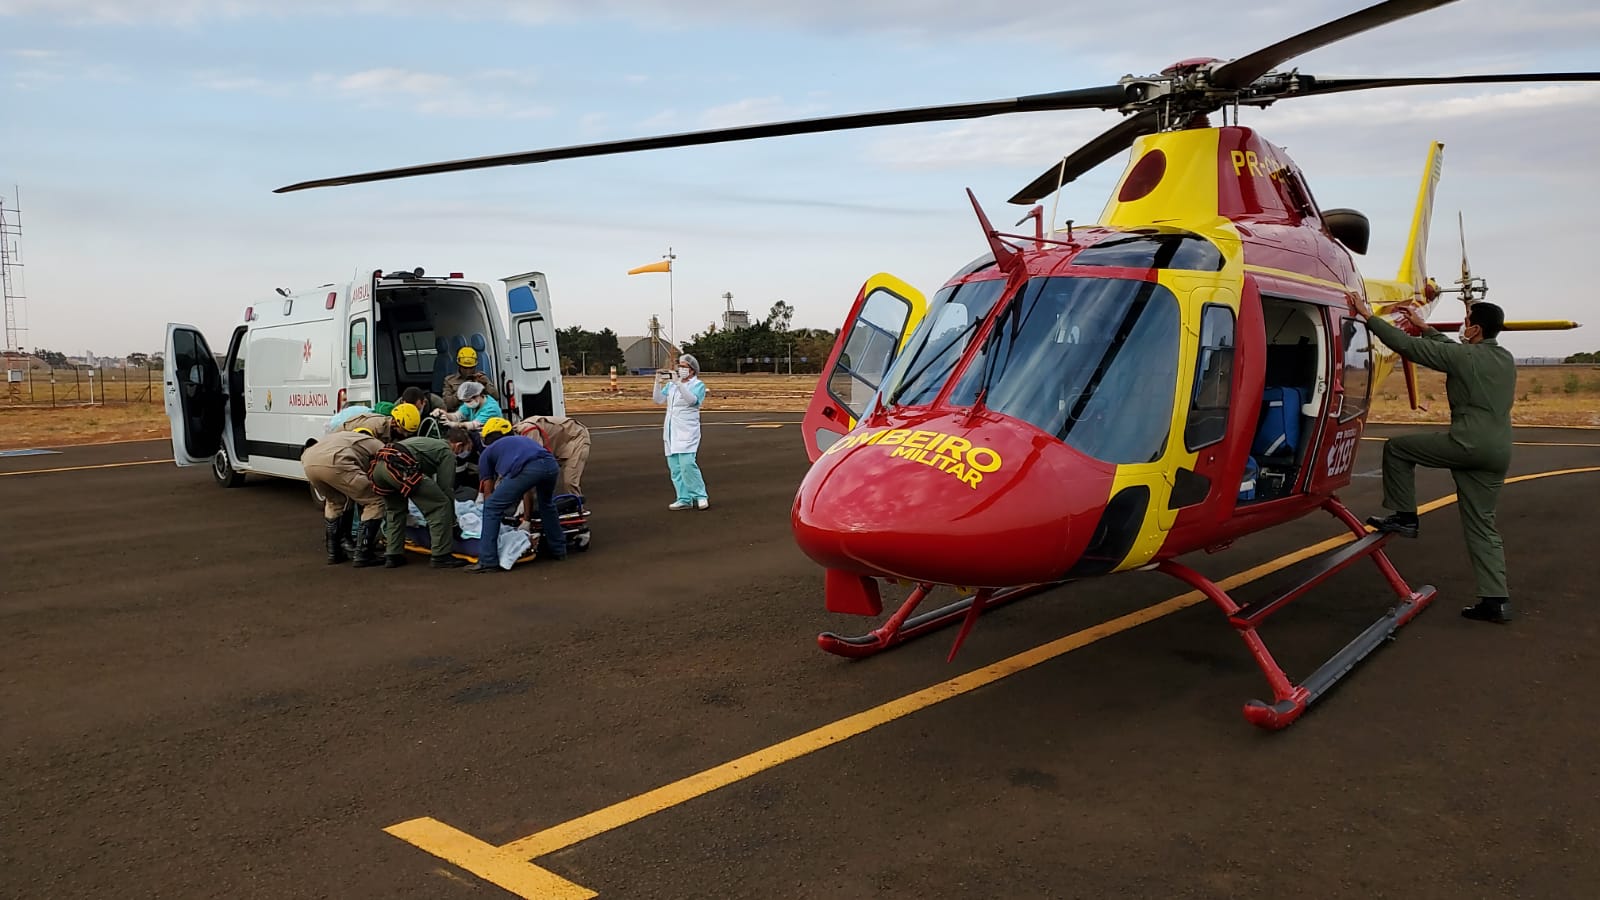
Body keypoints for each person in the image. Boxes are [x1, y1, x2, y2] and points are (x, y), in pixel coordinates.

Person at [1352, 297, 1517, 624]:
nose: (1462, 324)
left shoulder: (1464, 356)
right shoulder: (1504, 358)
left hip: (1468, 443)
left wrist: (1368, 317)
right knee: (1482, 525)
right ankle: (1495, 600)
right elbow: (1449, 351)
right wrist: (1426, 327)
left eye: (1466, 319)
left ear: (1476, 328)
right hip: (1498, 451)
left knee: (1397, 449)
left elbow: (1407, 347)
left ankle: (1406, 516)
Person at [467, 417, 565, 572]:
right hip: (550, 464)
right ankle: (559, 549)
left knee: (492, 507)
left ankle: (487, 561)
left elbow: (488, 493)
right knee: (546, 504)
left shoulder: (487, 453)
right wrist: (526, 518)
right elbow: (527, 490)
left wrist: (485, 510)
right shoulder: (519, 441)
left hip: (529, 468)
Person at [369, 429, 472, 570]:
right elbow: (445, 490)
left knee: (395, 509)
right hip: (400, 468)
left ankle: (393, 554)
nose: (463, 453)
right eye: (465, 449)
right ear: (458, 445)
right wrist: (452, 523)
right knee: (440, 505)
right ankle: (441, 555)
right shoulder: (446, 452)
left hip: (380, 467)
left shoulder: (427, 443)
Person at [300, 429, 387, 566]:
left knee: (335, 502)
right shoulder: (373, 443)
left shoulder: (342, 436)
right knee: (375, 501)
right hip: (335, 462)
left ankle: (334, 553)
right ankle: (363, 553)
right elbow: (389, 459)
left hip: (309, 461)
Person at [653, 353, 709, 510]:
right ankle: (684, 498)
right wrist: (657, 383)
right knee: (675, 468)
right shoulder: (671, 385)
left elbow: (692, 401)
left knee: (688, 464)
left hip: (687, 430)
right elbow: (658, 400)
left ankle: (700, 495)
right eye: (679, 366)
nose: (680, 369)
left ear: (692, 370)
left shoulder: (697, 385)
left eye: (684, 366)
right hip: (671, 430)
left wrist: (679, 384)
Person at [514, 415, 591, 496]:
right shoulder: (515, 435)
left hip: (577, 437)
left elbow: (536, 457)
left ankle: (577, 507)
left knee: (570, 481)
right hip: (559, 442)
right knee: (541, 480)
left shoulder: (529, 430)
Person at [442, 346, 497, 412]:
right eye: (465, 368)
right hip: (459, 416)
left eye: (471, 368)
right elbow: (447, 405)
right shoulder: (450, 380)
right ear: (459, 366)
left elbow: (496, 397)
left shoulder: (481, 378)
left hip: (479, 415)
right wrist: (462, 391)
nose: (468, 371)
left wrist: (485, 385)